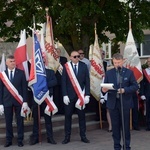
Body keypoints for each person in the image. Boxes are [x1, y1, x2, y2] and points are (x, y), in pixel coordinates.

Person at [102, 53, 138, 150]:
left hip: (125, 103)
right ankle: (116, 146)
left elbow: (135, 86)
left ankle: (127, 146)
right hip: (113, 103)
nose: (116, 64)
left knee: (125, 127)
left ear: (122, 61)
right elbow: (105, 86)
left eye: (118, 62)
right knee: (115, 127)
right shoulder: (109, 73)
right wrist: (104, 90)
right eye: (114, 62)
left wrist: (125, 90)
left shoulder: (129, 72)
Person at [61, 51, 90, 144]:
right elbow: (64, 82)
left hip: (80, 96)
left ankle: (83, 136)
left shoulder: (83, 66)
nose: (77, 58)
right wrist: (64, 95)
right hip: (69, 96)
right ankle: (67, 137)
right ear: (70, 57)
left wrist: (87, 95)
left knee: (82, 117)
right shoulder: (66, 66)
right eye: (75, 56)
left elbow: (87, 81)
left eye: (78, 56)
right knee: (68, 117)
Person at [0, 55, 29, 147]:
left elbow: (24, 88)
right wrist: (0, 103)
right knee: (8, 122)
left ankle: (20, 139)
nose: (13, 63)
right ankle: (9, 140)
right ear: (6, 63)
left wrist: (25, 101)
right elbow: (0, 90)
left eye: (14, 61)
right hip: (7, 101)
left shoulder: (21, 73)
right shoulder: (2, 75)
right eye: (11, 61)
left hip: (19, 101)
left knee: (19, 121)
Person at [30, 67, 57, 145]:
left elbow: (55, 81)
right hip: (37, 98)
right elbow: (30, 83)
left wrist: (44, 85)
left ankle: (50, 137)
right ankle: (35, 138)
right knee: (36, 119)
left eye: (44, 59)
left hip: (47, 98)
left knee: (48, 119)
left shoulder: (51, 71)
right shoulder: (34, 72)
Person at [53, 48, 67, 114]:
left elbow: (65, 69)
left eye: (58, 52)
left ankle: (62, 110)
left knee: (62, 95)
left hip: (62, 80)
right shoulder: (52, 59)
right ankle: (56, 110)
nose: (57, 53)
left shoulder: (64, 59)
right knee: (56, 96)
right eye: (56, 52)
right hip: (55, 81)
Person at [140, 57, 150, 131]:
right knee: (148, 110)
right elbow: (142, 84)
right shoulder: (144, 72)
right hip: (147, 93)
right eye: (148, 61)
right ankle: (148, 125)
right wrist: (142, 94)